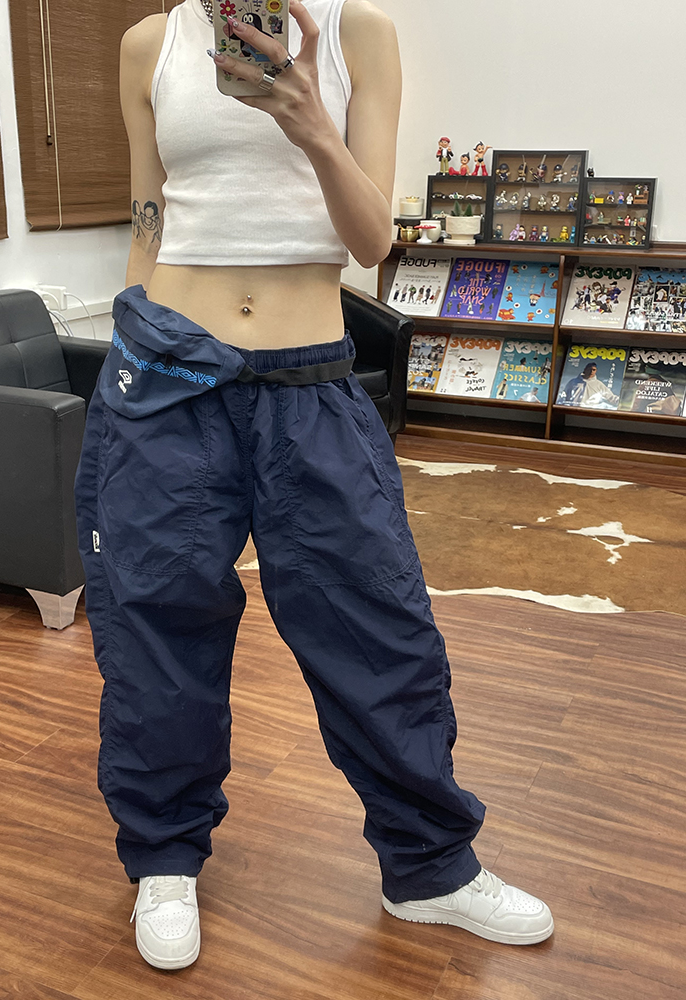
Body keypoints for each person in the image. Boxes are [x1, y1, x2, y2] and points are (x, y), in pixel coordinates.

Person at [74, 0, 554, 973]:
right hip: (166, 377)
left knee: (378, 625)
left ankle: (428, 866)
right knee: (154, 625)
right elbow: (148, 219)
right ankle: (163, 856)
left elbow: (372, 242)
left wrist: (307, 121)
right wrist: (124, 369)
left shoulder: (357, 33)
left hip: (309, 383)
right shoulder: (148, 45)